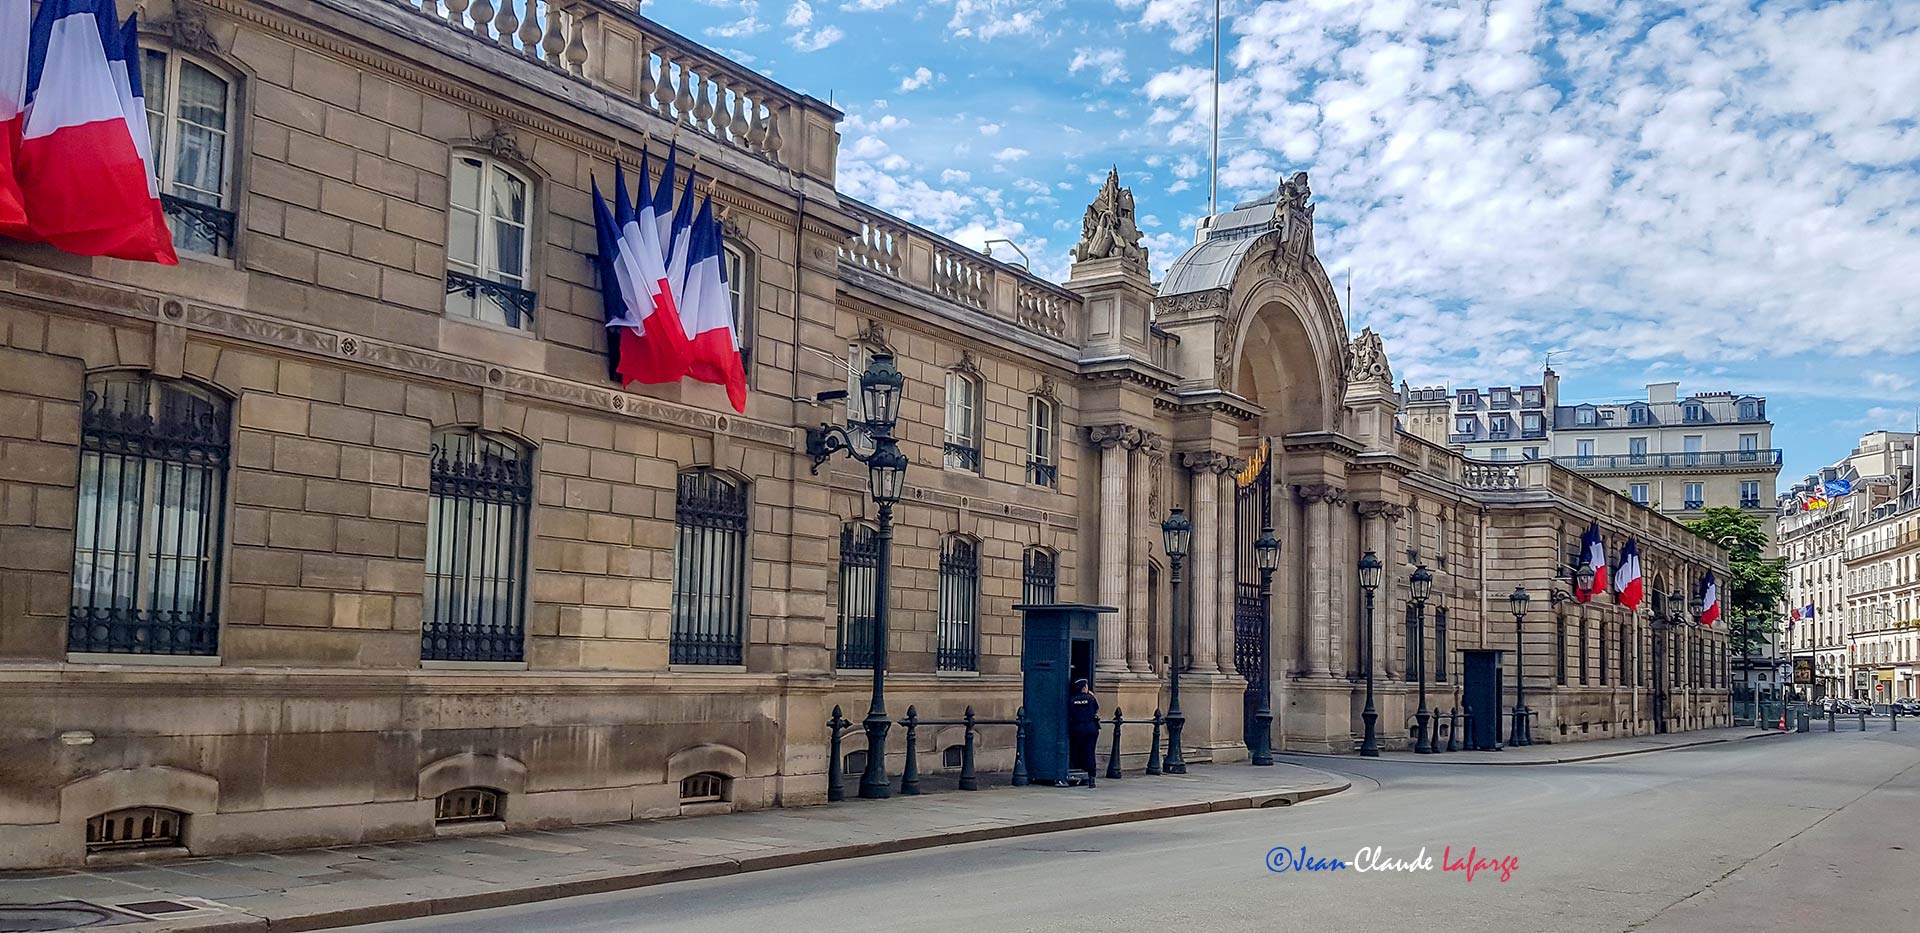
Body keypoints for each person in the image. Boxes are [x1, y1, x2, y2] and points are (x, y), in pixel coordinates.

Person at [1067, 678, 1100, 787]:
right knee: (1090, 752)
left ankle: (1073, 772)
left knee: (1076, 751)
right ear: (1084, 688)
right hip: (1090, 728)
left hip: (1077, 728)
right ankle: (1091, 778)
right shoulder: (1090, 698)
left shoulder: (1072, 700)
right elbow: (1096, 708)